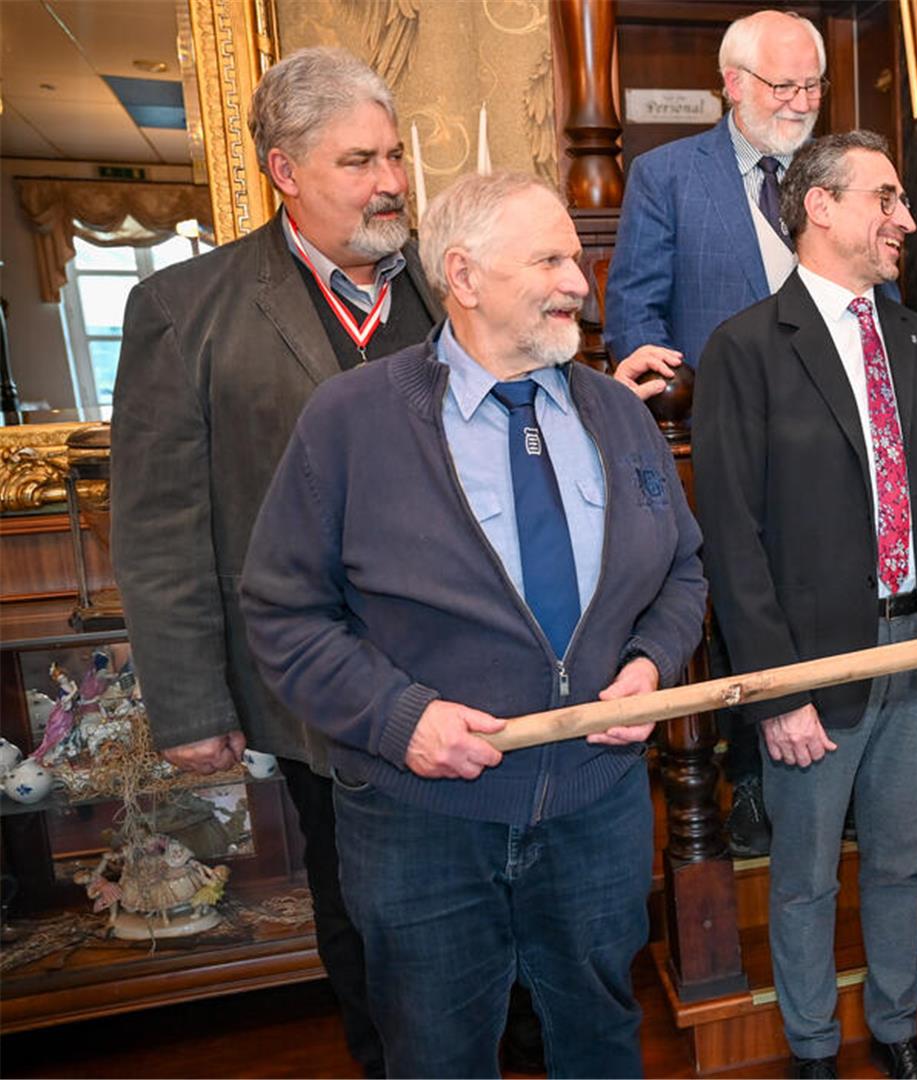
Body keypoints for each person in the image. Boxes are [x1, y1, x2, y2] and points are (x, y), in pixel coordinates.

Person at [240, 171, 707, 1078]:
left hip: (596, 806)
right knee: (435, 1053)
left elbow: (682, 569)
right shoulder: (352, 420)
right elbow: (284, 612)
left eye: (576, 257)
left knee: (602, 1036)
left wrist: (651, 664)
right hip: (423, 826)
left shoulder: (618, 412)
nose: (582, 280)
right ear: (463, 274)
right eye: (552, 260)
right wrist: (397, 716)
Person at [110, 46, 439, 1077]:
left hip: (465, 661)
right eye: (358, 161)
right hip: (313, 684)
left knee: (479, 877)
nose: (390, 182)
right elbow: (162, 522)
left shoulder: (446, 285)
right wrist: (190, 703)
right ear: (284, 170)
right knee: (360, 898)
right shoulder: (185, 310)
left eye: (393, 156)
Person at [692, 131, 917, 1080]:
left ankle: (898, 1032)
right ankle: (815, 1051)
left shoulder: (913, 339)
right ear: (819, 207)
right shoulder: (744, 348)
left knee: (904, 860)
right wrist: (777, 690)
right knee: (804, 879)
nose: (905, 219)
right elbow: (733, 541)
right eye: (887, 198)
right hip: (815, 664)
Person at [601, 8, 829, 856]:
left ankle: (816, 764)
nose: (802, 100)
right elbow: (635, 303)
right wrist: (644, 382)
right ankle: (751, 783)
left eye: (812, 83)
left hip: (828, 434)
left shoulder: (832, 170)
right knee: (737, 605)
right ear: (731, 85)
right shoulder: (669, 174)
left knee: (816, 598)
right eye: (783, 84)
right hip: (719, 431)